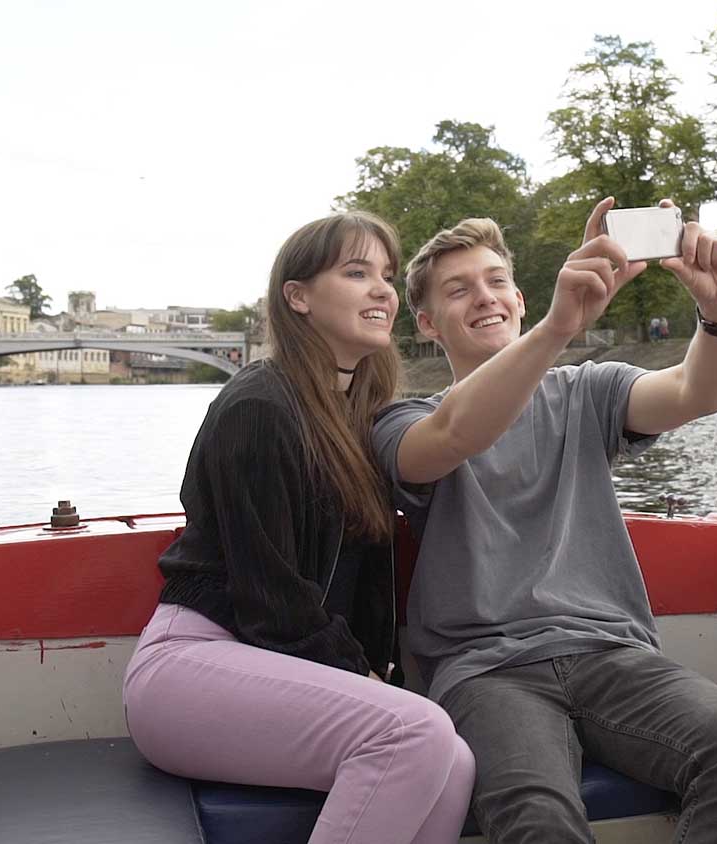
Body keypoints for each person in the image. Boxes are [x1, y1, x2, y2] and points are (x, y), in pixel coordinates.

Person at [373, 198, 717, 844]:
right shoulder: (400, 421)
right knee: (537, 817)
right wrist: (558, 331)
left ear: (522, 299)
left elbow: (696, 394)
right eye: (459, 290)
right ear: (427, 322)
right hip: (487, 671)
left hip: (611, 654)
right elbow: (450, 437)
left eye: (496, 281)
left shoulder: (587, 392)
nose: (485, 297)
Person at [122, 212, 474, 844]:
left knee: (456, 763)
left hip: (276, 660)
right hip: (194, 661)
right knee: (415, 732)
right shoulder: (260, 407)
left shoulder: (355, 412)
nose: (383, 291)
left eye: (387, 276)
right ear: (299, 296)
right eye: (357, 272)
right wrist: (363, 676)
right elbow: (270, 598)